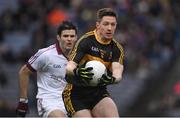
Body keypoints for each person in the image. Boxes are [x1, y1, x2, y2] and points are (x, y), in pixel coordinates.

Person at [63, 8, 124, 117]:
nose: (109, 28)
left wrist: (113, 79)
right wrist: (78, 72)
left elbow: (118, 72)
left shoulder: (116, 48)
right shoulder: (86, 41)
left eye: (113, 24)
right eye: (106, 24)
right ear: (98, 25)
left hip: (98, 92)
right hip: (76, 93)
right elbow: (69, 67)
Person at [16, 21, 77, 117]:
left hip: (72, 100)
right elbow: (24, 72)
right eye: (65, 36)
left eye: (72, 36)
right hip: (50, 101)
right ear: (58, 37)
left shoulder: (81, 56)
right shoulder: (46, 54)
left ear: (76, 38)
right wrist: (23, 100)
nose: (69, 39)